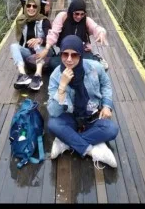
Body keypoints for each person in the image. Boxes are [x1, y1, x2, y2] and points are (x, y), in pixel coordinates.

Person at [47, 35, 118, 169]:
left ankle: (66, 142)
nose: (68, 59)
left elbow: (106, 85)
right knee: (53, 124)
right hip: (70, 117)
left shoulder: (95, 67)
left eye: (74, 55)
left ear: (80, 55)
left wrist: (107, 105)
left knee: (111, 129)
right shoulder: (56, 76)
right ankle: (94, 151)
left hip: (91, 115)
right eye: (65, 54)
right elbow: (53, 112)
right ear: (60, 54)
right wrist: (62, 86)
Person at [37, 0, 109, 71]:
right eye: (76, 13)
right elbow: (53, 33)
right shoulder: (63, 17)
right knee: (53, 63)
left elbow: (96, 27)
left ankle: (96, 58)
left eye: (82, 14)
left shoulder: (86, 20)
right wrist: (46, 49)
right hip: (66, 51)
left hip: (82, 51)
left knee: (86, 67)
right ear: (71, 11)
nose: (79, 17)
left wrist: (101, 33)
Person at [11, 0, 51, 91]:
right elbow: (20, 41)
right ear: (25, 7)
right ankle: (23, 75)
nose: (31, 8)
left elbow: (51, 39)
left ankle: (38, 76)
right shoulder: (21, 20)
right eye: (28, 5)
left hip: (44, 53)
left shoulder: (44, 21)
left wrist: (39, 40)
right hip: (29, 53)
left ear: (38, 8)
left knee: (37, 45)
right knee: (13, 46)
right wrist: (17, 53)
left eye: (34, 6)